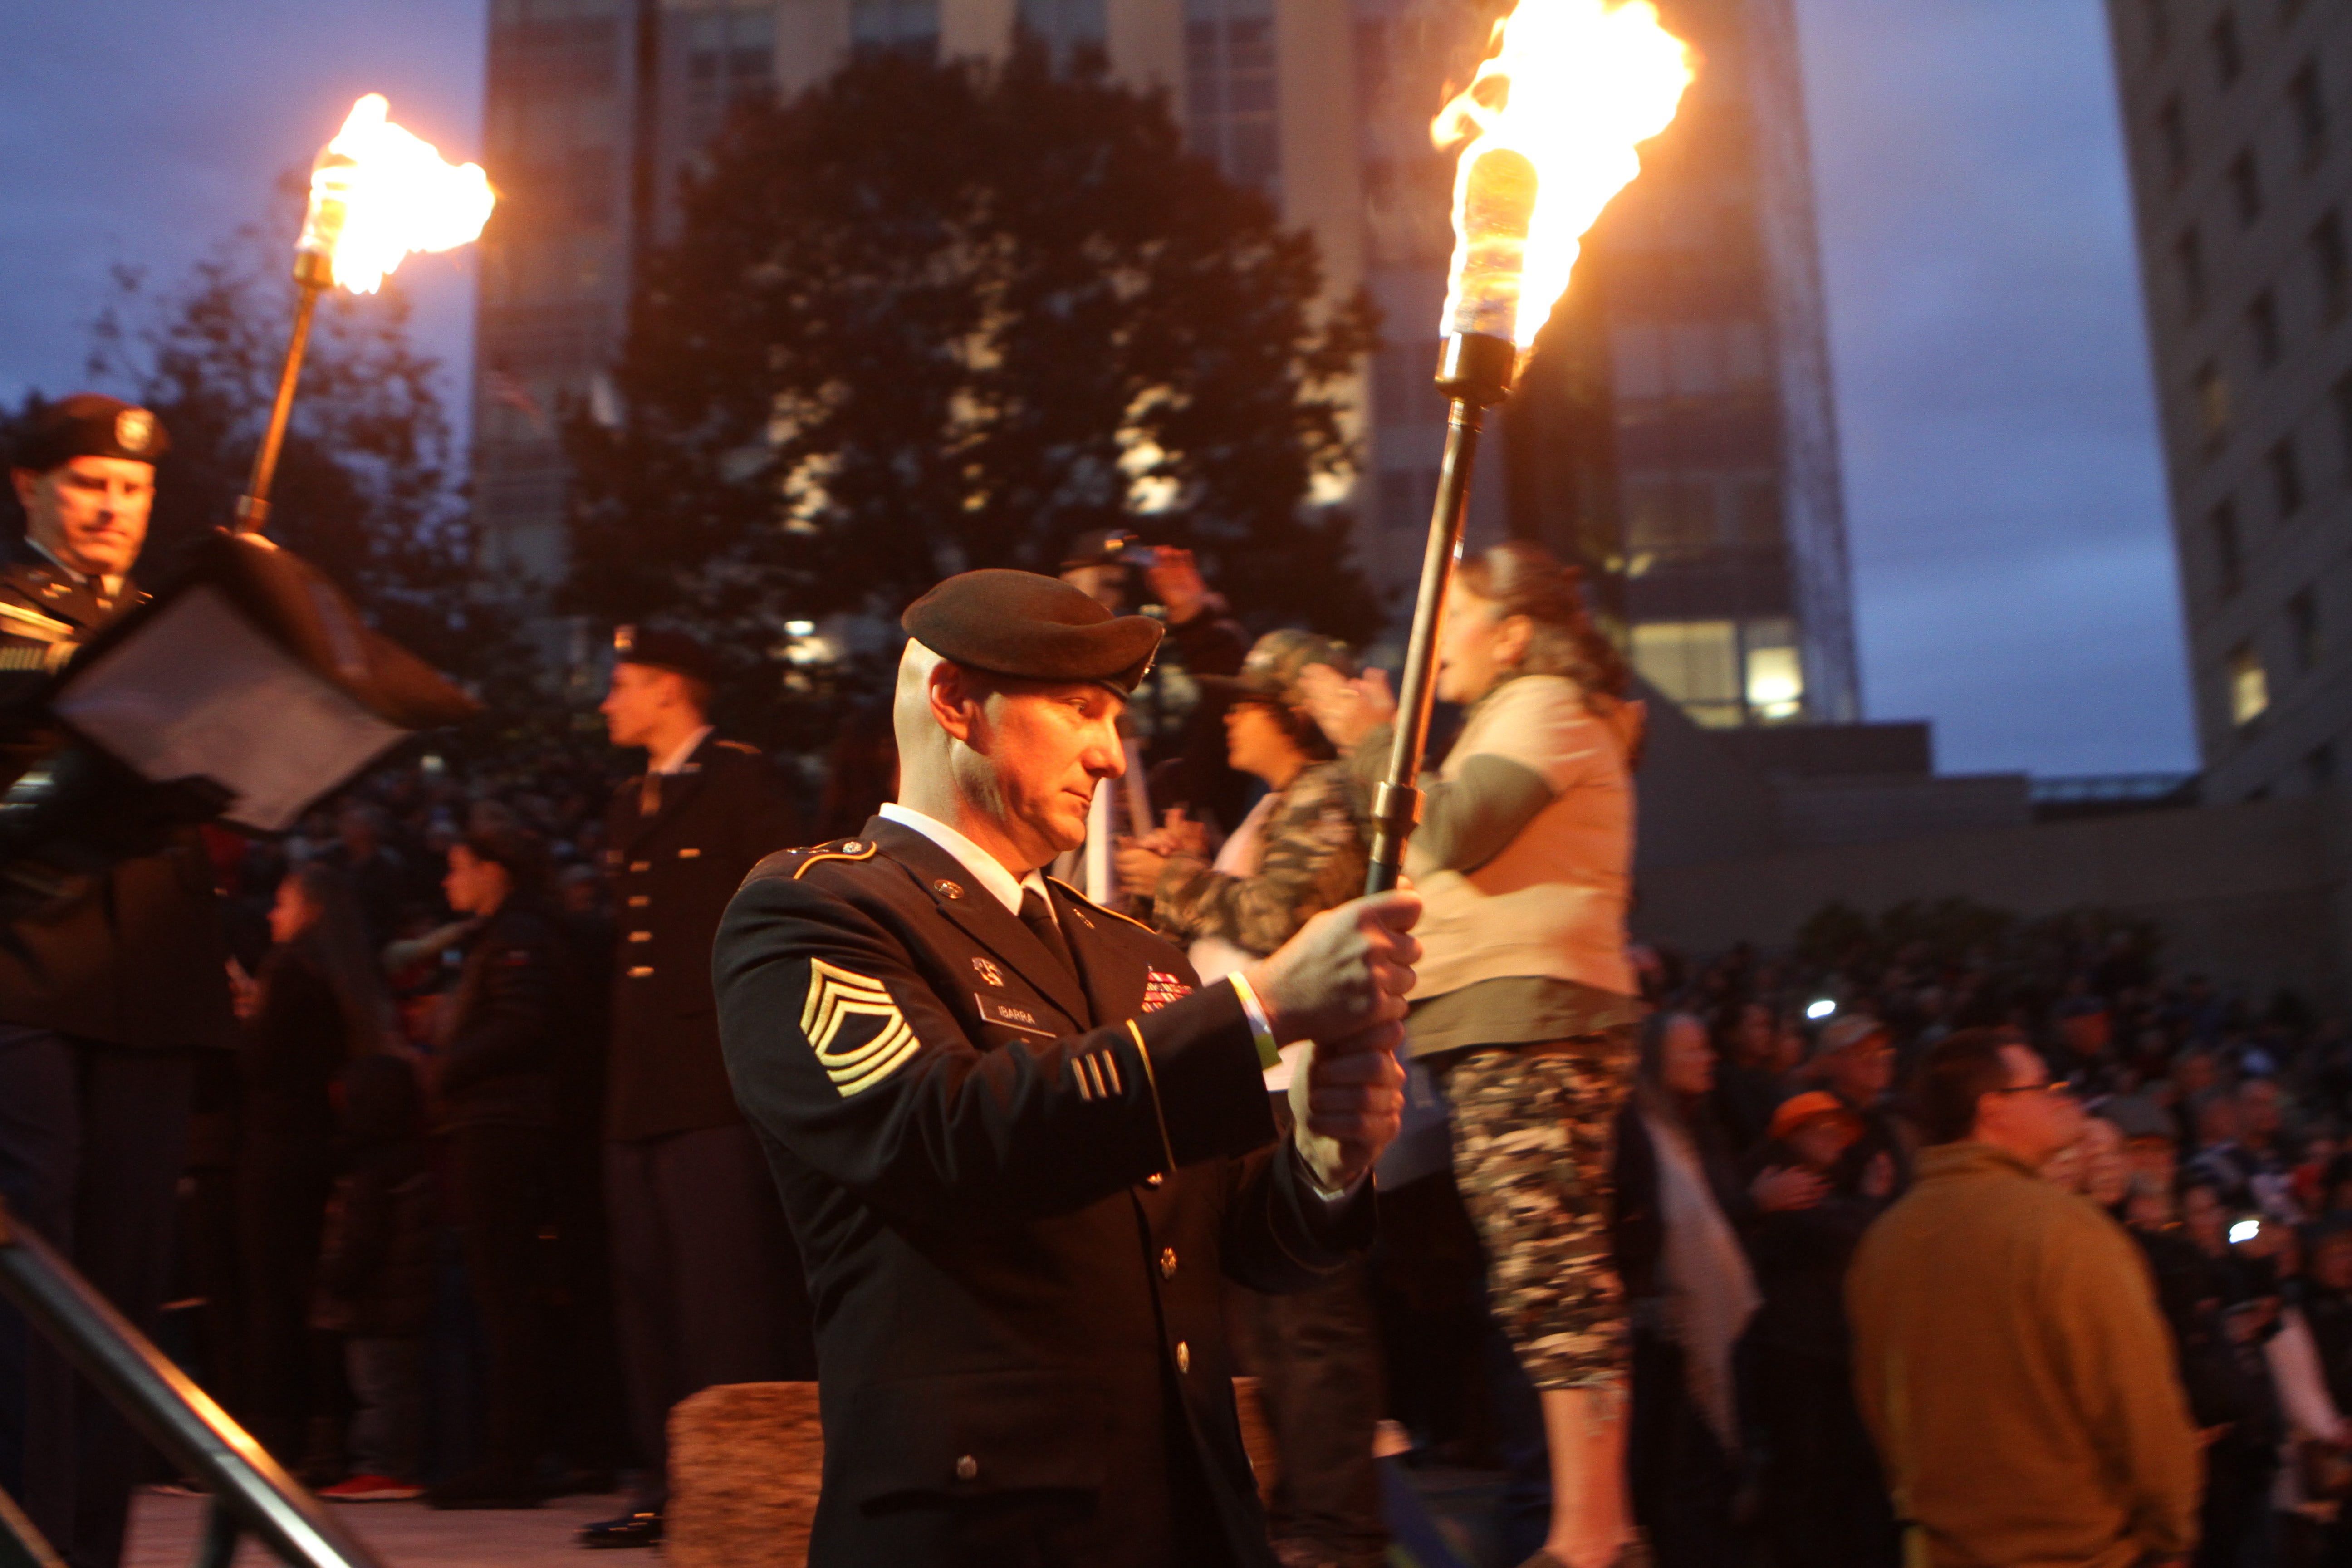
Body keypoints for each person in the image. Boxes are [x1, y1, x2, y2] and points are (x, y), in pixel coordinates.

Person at [713, 568, 1418, 1568]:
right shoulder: (817, 911)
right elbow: (945, 1137)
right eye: (1079, 708)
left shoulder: (1138, 953)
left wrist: (1322, 1155)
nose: (1110, 751)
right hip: (988, 1526)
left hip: (1189, 1515)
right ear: (957, 703)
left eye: (1117, 717)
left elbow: (1249, 1245)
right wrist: (1258, 1009)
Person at [1303, 540, 1645, 1568]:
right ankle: (1594, 1525)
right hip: (1509, 1023)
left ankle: (1591, 1531)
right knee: (1540, 1270)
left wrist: (1370, 738)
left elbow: (1450, 826)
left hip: (1532, 1023)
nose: (1429, 646)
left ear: (1509, 631)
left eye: (1447, 617)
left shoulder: (1544, 702)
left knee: (1552, 1272)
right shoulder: (1522, 708)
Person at [0, 394, 237, 1568]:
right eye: (88, 483)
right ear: (29, 491)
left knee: (127, 1301)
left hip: (152, 990)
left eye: (133, 490)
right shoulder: (5, 614)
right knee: (37, 1303)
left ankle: (88, 1550)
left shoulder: (175, 625)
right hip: (30, 981)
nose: (112, 507)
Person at [1116, 629, 1381, 1568]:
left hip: (1299, 1082)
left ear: (1291, 716)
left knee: (1309, 1321)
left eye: (1245, 702)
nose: (1228, 716)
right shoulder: (1276, 808)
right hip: (1257, 1075)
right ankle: (1301, 1518)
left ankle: (1340, 1529)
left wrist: (1175, 880)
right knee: (1266, 1323)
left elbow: (1281, 921)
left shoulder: (1325, 798)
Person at [588, 624, 814, 1549]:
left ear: (672, 691)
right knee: (648, 1292)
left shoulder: (742, 784)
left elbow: (784, 919)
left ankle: (733, 1486)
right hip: (641, 1085)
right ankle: (664, 1481)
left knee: (722, 1295)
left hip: (714, 1079)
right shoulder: (628, 800)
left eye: (625, 683)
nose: (610, 701)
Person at [1847, 1028, 2201, 1568]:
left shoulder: (1885, 1241)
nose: (2063, 1100)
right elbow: (2135, 1397)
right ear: (1994, 1110)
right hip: (2075, 1552)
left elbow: (1881, 1410)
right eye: (2045, 1087)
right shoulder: (2063, 1230)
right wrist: (2172, 1530)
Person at [429, 826, 573, 1509]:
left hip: (500, 1124)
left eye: (457, 867)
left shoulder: (517, 936)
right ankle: (524, 1449)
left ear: (495, 870)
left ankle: (513, 1457)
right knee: (506, 1290)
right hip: (498, 1119)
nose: (446, 882)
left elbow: (522, 1023)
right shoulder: (509, 934)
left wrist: (443, 1070)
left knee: (504, 1289)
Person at [233, 865, 390, 1473]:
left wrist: (244, 1018)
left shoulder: (288, 970)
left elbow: (258, 1062)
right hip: (319, 1146)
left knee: (272, 1294)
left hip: (274, 1150)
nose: (273, 915)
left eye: (282, 902)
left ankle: (278, 1434)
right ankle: (329, 1432)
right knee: (310, 1293)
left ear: (311, 909)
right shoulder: (343, 975)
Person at [1610, 1011, 1759, 1567]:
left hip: (1691, 1319)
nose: (1709, 1058)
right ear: (1656, 1060)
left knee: (1699, 1477)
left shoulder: (1693, 1128)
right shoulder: (1642, 1129)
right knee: (1676, 1481)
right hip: (1668, 1325)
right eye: (1692, 1050)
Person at [310, 1051, 436, 1504]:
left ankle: (379, 1466)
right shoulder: (407, 1156)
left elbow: (363, 1242)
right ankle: (390, 1465)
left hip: (377, 1303)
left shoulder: (372, 1169)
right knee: (394, 1387)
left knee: (379, 1390)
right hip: (397, 1301)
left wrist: (331, 1277)